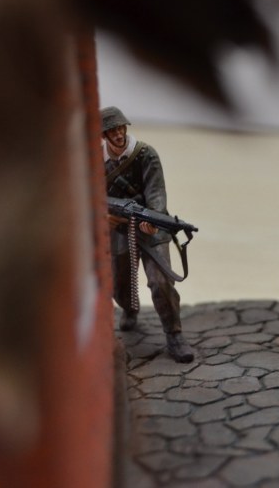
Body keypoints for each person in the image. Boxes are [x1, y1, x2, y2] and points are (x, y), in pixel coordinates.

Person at [102, 106, 194, 363]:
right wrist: (103, 216)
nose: (119, 134)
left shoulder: (145, 154)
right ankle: (129, 308)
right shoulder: (95, 161)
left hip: (149, 226)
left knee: (160, 282)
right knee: (119, 284)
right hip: (118, 228)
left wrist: (153, 218)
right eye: (112, 130)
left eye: (121, 128)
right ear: (104, 135)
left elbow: (156, 193)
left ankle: (174, 334)